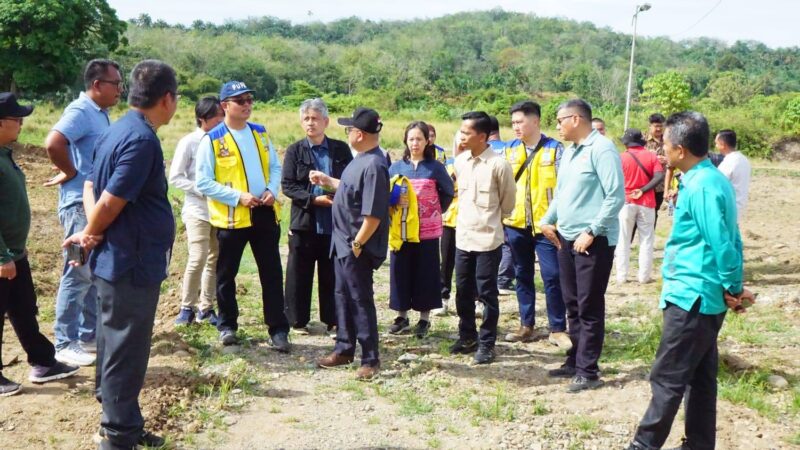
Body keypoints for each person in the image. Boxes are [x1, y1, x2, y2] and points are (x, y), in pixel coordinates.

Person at [63, 60, 179, 449]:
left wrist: (92, 232)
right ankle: (117, 434)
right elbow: (110, 200)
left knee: (112, 341)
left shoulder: (117, 130)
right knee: (126, 349)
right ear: (167, 99)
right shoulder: (141, 140)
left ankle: (120, 418)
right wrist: (92, 231)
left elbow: (91, 186)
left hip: (117, 258)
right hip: (130, 262)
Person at [627, 112, 754, 450]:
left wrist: (733, 286)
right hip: (702, 296)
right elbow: (733, 238)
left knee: (667, 378)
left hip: (692, 297)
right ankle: (698, 444)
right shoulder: (709, 179)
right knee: (700, 378)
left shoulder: (700, 186)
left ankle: (644, 445)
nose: (661, 152)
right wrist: (732, 285)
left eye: (665, 146)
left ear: (680, 150)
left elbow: (722, 242)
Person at [195, 81, 290, 350]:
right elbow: (203, 181)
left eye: (250, 99)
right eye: (241, 101)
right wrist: (237, 197)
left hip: (264, 212)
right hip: (232, 217)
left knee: (271, 272)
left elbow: (274, 166)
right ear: (225, 106)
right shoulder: (213, 140)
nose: (247, 105)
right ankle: (227, 326)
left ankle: (278, 329)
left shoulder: (260, 133)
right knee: (226, 274)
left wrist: (272, 189)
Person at [540, 99, 624, 392]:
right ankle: (575, 359)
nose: (558, 126)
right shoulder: (571, 151)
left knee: (589, 304)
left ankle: (588, 370)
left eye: (560, 120)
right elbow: (562, 194)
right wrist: (547, 220)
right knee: (572, 303)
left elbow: (615, 196)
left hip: (593, 241)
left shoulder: (602, 149)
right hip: (567, 237)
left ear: (576, 119)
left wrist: (592, 230)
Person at [44, 59, 123, 367]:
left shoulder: (100, 114)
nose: (120, 90)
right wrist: (70, 170)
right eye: (115, 84)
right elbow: (54, 142)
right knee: (77, 272)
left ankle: (88, 335)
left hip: (92, 201)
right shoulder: (81, 111)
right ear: (96, 85)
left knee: (91, 274)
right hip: (79, 202)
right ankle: (64, 341)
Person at [0, 93, 80, 397]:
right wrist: (1, 256)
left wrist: (14, 250)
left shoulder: (5, 153)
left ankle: (44, 362)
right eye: (17, 119)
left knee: (23, 308)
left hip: (13, 252)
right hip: (3, 255)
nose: (22, 124)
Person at [313, 107, 390, 380]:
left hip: (356, 245)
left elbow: (374, 214)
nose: (347, 134)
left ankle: (370, 357)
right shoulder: (360, 160)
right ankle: (344, 348)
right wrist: (329, 182)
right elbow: (350, 189)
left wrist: (358, 243)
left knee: (360, 300)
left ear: (359, 134)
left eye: (349, 130)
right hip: (342, 243)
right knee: (342, 297)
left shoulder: (375, 166)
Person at [501, 101, 570, 349]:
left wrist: (553, 220)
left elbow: (564, 188)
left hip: (546, 226)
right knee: (522, 275)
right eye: (513, 123)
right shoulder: (508, 151)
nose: (516, 127)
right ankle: (526, 324)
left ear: (536, 121)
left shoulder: (555, 150)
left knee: (552, 275)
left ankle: (557, 328)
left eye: (520, 122)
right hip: (516, 224)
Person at [449, 111, 516, 365]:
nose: (461, 136)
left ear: (482, 136)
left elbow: (508, 202)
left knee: (487, 293)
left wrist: (493, 220)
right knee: (463, 291)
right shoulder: (461, 161)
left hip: (488, 239)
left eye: (466, 132)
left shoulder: (499, 164)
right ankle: (467, 336)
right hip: (463, 237)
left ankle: (487, 343)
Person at [281, 98, 352, 335]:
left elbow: (350, 183)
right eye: (306, 119)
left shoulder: (341, 149)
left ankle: (333, 319)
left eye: (314, 118)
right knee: (298, 272)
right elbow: (288, 186)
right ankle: (297, 321)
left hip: (333, 221)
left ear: (326, 121)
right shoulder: (294, 150)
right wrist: (312, 199)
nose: (310, 123)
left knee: (332, 272)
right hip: (305, 220)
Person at [387, 121, 454, 338]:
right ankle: (401, 315)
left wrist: (433, 211)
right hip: (402, 229)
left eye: (419, 139)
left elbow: (448, 192)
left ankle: (424, 319)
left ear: (427, 141)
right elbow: (386, 193)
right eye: (411, 139)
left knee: (426, 273)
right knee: (400, 271)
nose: (415, 143)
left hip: (427, 230)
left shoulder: (435, 167)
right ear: (405, 140)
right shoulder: (396, 167)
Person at [168, 96, 225, 326]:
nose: (222, 119)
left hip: (220, 210)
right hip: (197, 210)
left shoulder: (223, 140)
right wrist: (201, 191)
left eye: (223, 115)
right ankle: (186, 306)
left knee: (214, 258)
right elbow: (175, 177)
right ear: (203, 119)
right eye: (217, 116)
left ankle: (206, 308)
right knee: (198, 257)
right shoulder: (190, 142)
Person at [615, 129, 665, 285]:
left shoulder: (620, 158)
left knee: (623, 239)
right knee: (646, 240)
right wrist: (643, 190)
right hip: (647, 202)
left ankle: (621, 276)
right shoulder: (651, 156)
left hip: (626, 201)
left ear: (626, 143)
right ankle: (644, 277)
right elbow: (659, 176)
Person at [488, 115, 515, 296]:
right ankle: (503, 279)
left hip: (488, 206)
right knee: (507, 243)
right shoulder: (508, 150)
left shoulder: (482, 151)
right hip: (509, 204)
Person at [715, 129, 751, 222]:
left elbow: (716, 184)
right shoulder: (743, 159)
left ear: (722, 144)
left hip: (727, 210)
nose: (716, 146)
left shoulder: (729, 162)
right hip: (739, 208)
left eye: (716, 143)